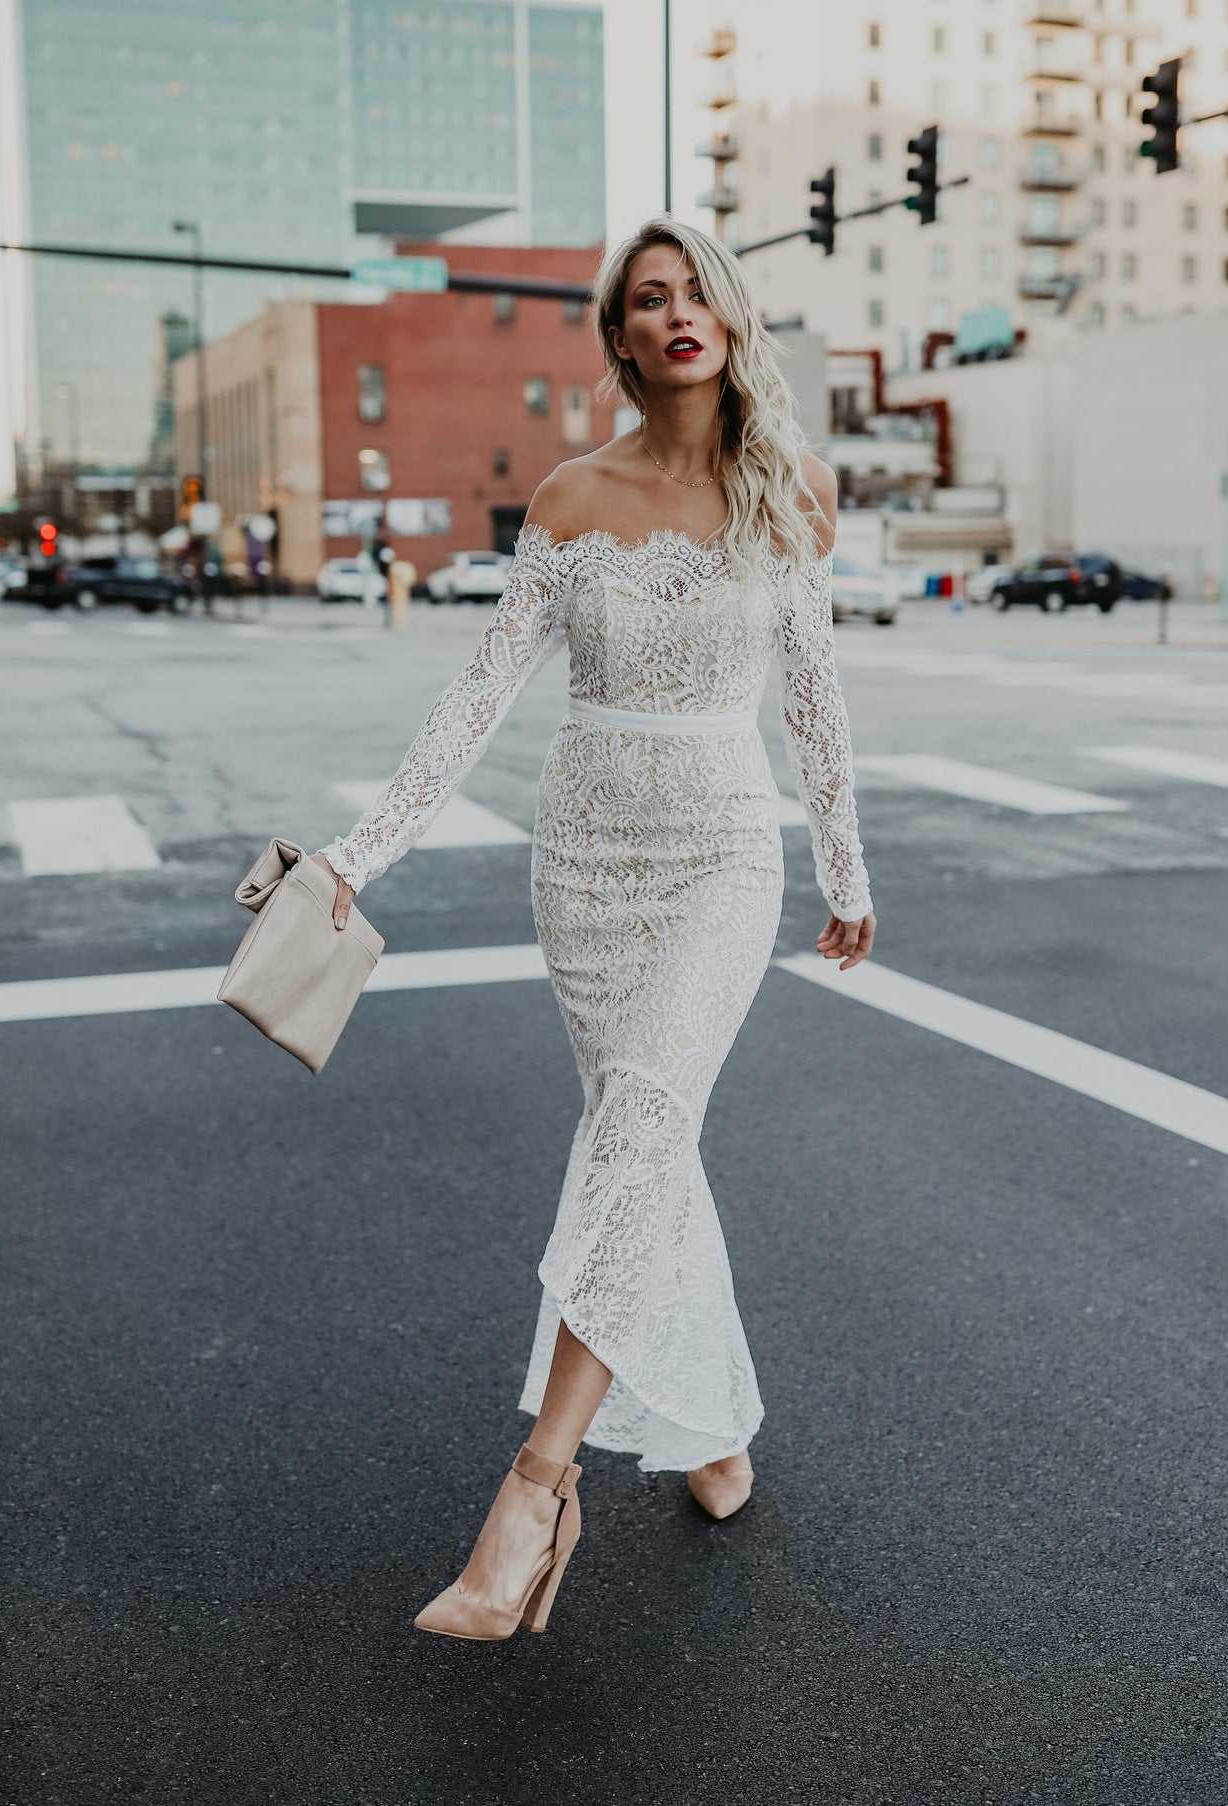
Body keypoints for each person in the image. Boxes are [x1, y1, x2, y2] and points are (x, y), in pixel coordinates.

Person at [312, 216, 876, 1641]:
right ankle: (707, 1425)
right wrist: (358, 851)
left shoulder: (792, 489)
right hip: (584, 866)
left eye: (695, 291)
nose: (676, 313)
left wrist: (846, 876)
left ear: (729, 316)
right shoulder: (568, 496)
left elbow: (815, 701)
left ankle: (534, 1488)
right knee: (649, 1152)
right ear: (619, 338)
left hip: (718, 859)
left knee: (634, 1128)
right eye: (647, 299)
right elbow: (476, 700)